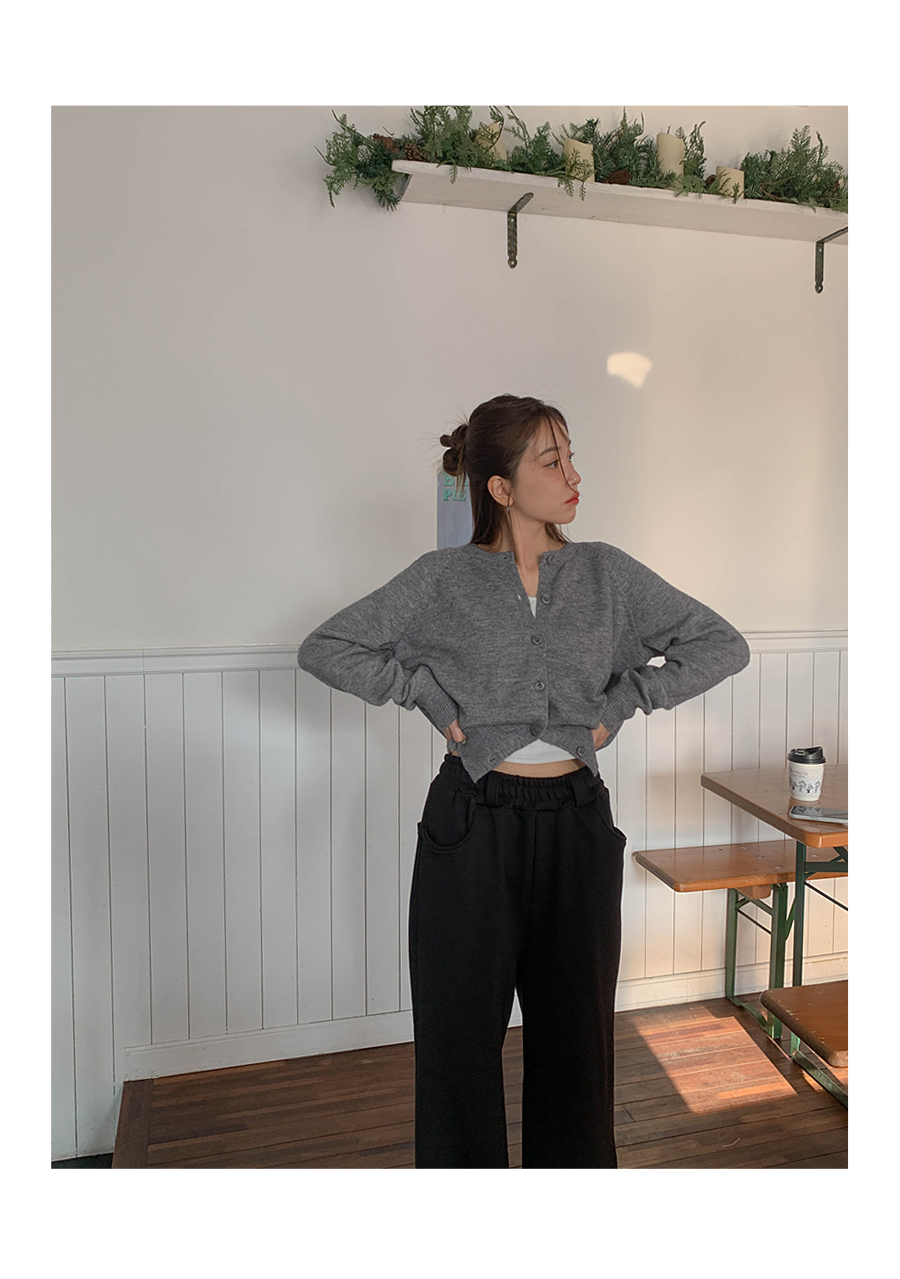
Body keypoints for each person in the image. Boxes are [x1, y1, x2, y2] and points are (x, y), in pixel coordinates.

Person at [297, 393, 750, 1168]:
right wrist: (423, 692)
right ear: (501, 487)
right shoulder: (442, 579)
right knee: (458, 1042)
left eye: (570, 456)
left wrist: (627, 699)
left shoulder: (605, 573)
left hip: (576, 821)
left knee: (577, 1045)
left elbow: (721, 643)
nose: (573, 475)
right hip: (471, 821)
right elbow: (327, 646)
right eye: (552, 460)